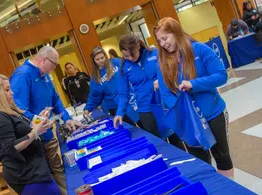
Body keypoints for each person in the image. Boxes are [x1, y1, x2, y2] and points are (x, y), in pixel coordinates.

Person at [153, 17, 234, 179]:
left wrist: (193, 85)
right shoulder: (162, 62)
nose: (162, 44)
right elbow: (165, 93)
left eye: (165, 38)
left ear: (176, 33)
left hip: (213, 114)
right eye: (159, 40)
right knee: (200, 161)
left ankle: (228, 190)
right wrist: (178, 106)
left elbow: (221, 76)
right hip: (188, 121)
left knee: (221, 156)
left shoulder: (200, 50)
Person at [10, 46, 81, 195]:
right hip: (36, 141)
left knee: (61, 173)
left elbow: (55, 99)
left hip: (49, 136)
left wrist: (66, 119)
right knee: (53, 179)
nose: (55, 68)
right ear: (44, 60)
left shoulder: (45, 75)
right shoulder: (22, 75)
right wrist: (38, 122)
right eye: (54, 64)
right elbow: (18, 109)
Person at [0, 74, 63, 195]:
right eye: (7, 90)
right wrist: (35, 132)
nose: (12, 92)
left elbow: (23, 132)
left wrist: (39, 121)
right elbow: (12, 147)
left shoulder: (8, 111)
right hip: (27, 175)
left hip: (36, 169)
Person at [114, 35, 185, 150]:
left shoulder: (155, 54)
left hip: (164, 104)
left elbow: (173, 72)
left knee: (176, 141)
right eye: (126, 56)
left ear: (138, 45)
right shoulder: (123, 68)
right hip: (145, 109)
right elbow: (123, 94)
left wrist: (162, 80)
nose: (131, 58)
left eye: (133, 54)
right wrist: (119, 113)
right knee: (158, 146)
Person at [84, 46, 138, 127]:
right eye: (97, 59)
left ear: (105, 56)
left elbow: (130, 71)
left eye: (102, 58)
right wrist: (87, 108)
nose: (100, 61)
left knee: (143, 123)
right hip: (114, 107)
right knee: (130, 129)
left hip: (130, 99)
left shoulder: (116, 62)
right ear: (93, 61)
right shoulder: (95, 77)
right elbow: (94, 96)